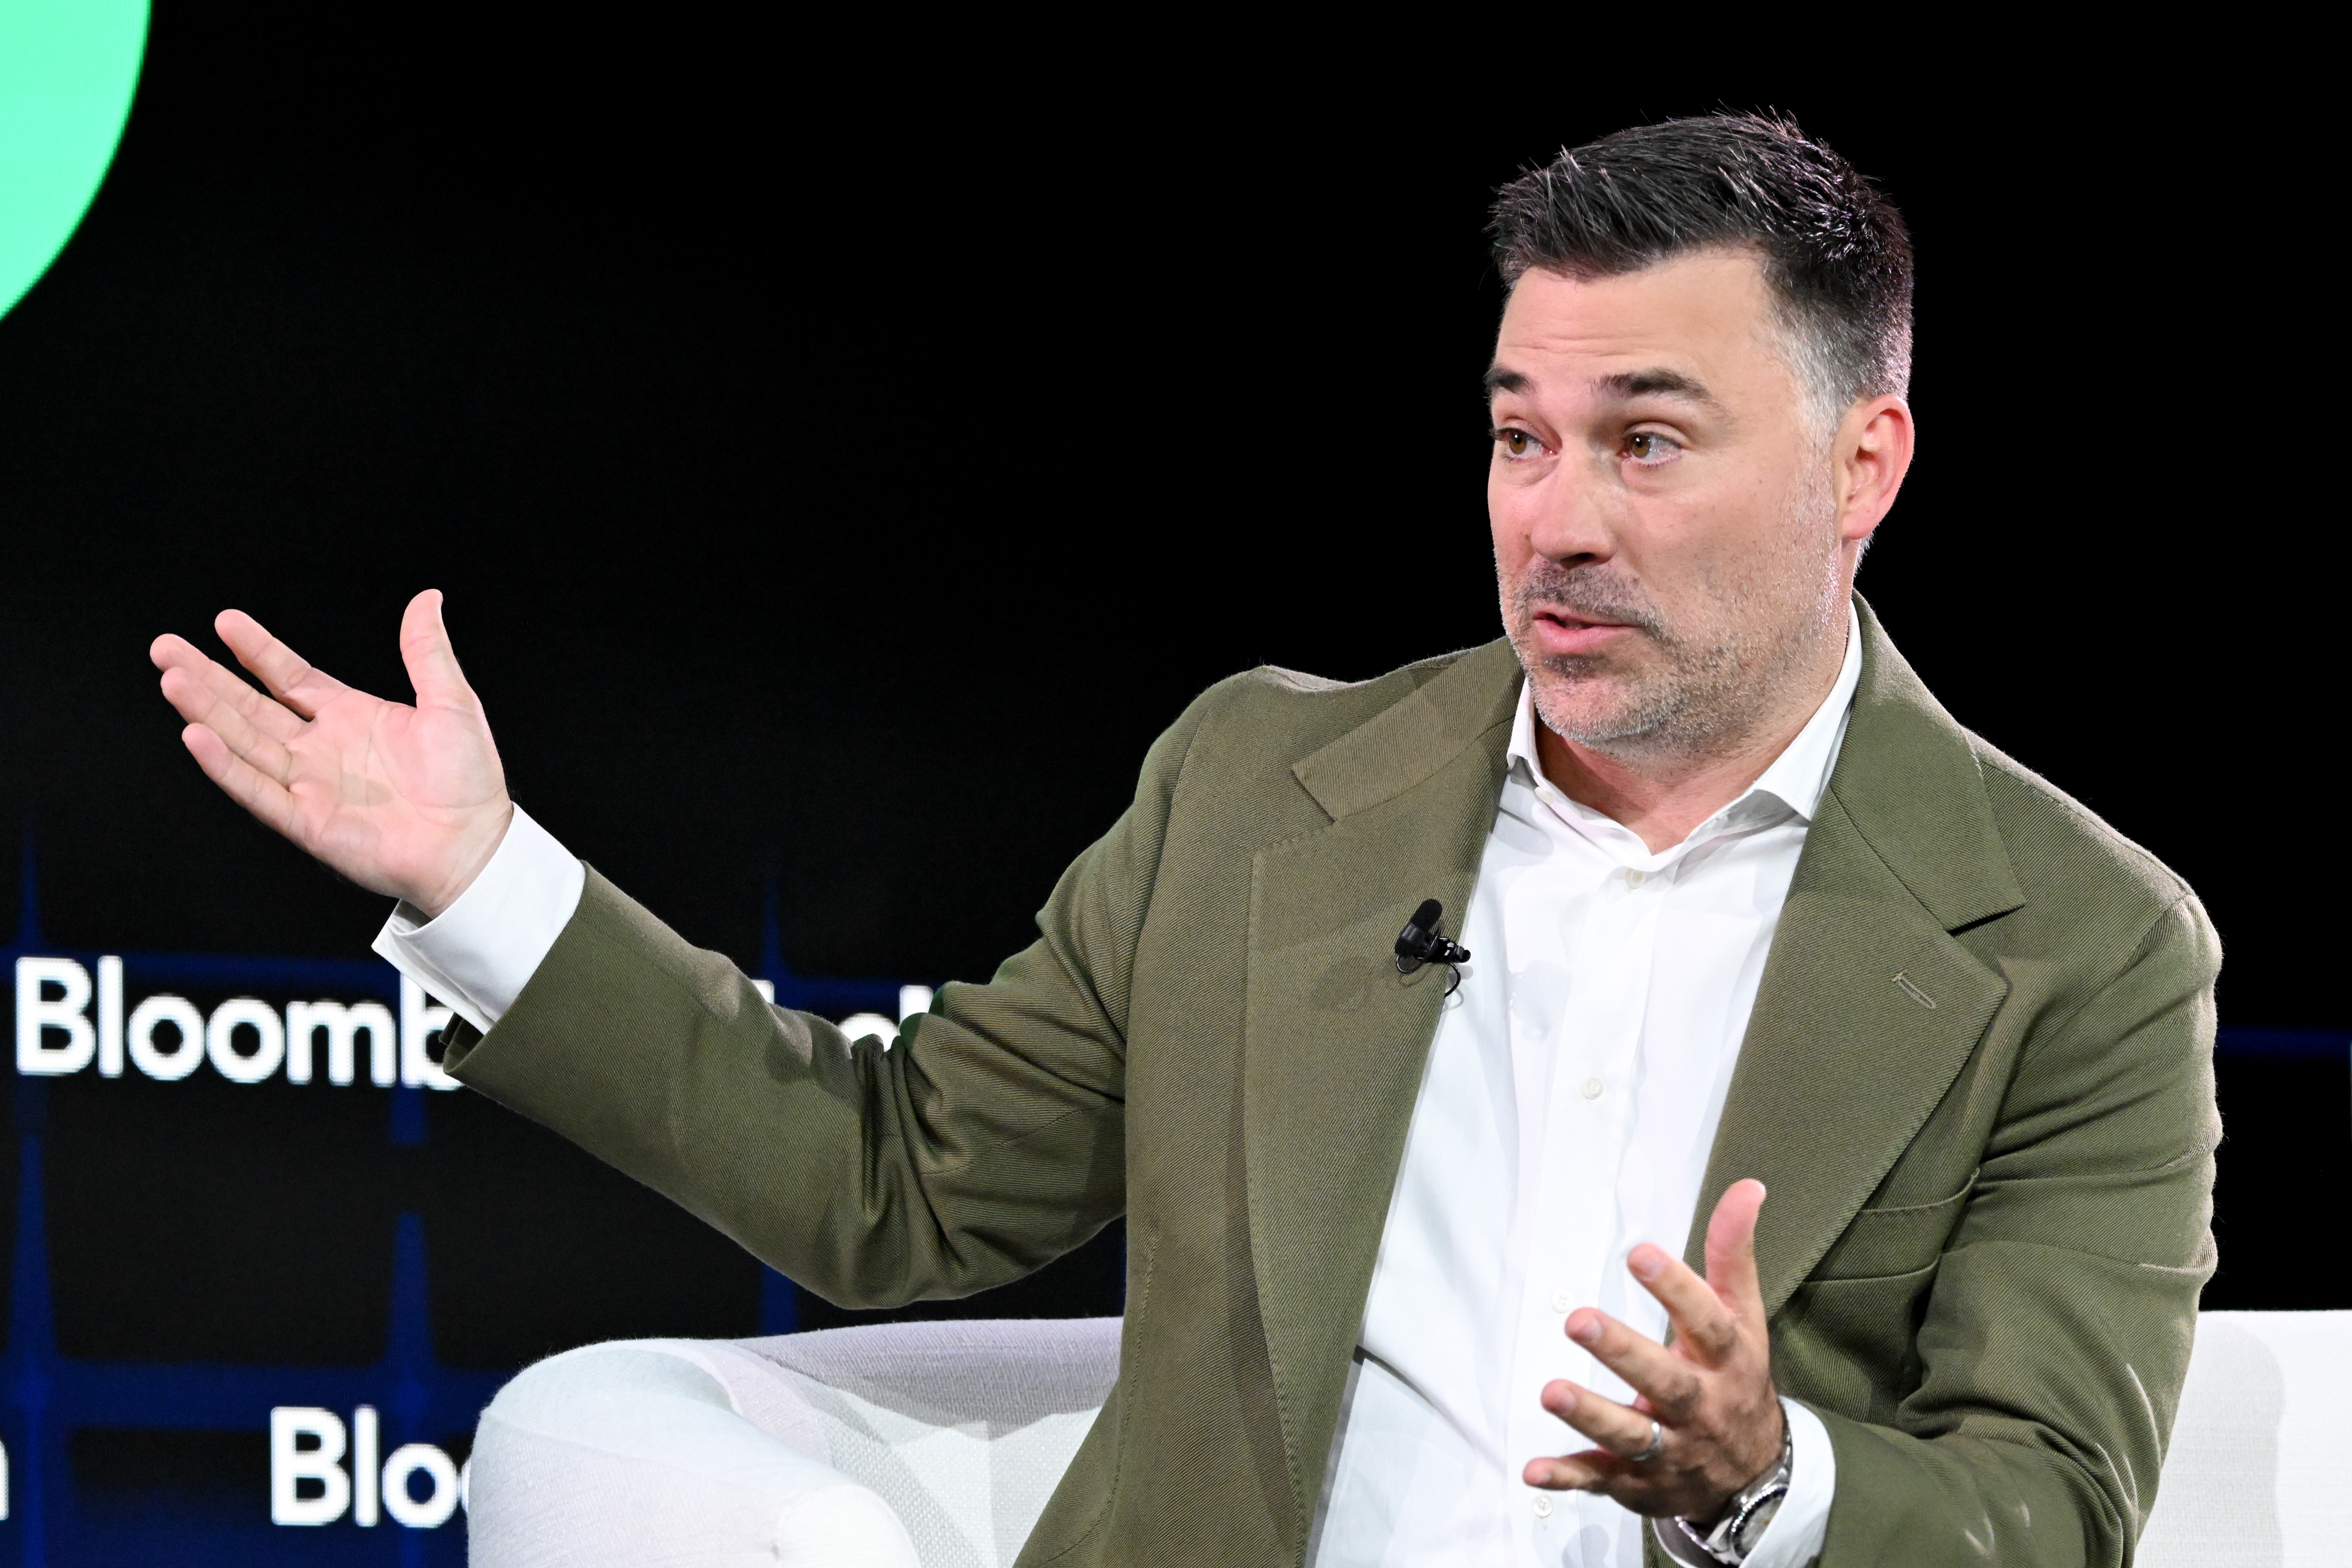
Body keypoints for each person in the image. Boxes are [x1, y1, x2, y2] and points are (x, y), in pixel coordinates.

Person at [151, 114, 2217, 1567]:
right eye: (1519, 434)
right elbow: (893, 1182)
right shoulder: (1263, 790)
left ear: (1865, 462)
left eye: (1646, 441)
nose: (1557, 518)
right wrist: (487, 880)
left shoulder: (2084, 944)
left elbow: (2044, 1511)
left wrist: (1765, 1478)